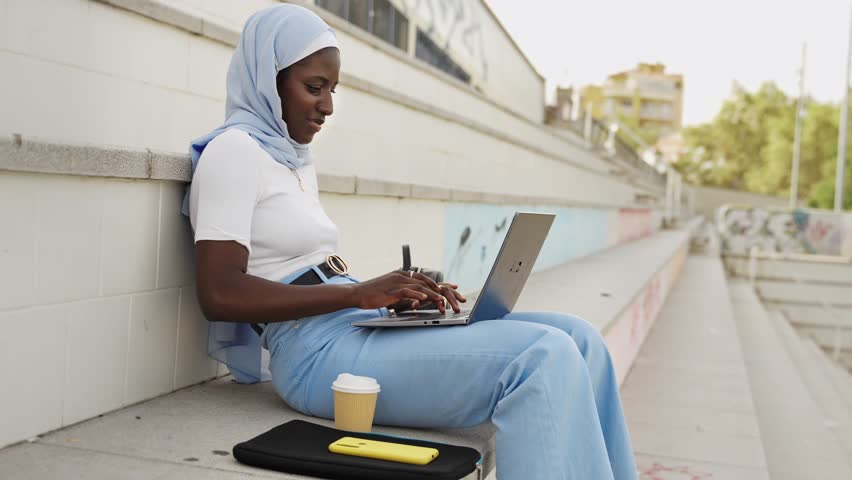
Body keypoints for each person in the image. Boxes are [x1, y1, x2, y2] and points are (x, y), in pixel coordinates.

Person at [185, 4, 637, 479]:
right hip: (314, 356)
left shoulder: (291, 158)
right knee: (543, 357)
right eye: (313, 88)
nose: (328, 105)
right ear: (266, 77)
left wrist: (395, 301)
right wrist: (356, 294)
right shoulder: (232, 153)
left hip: (354, 325)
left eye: (332, 90)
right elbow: (218, 294)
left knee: (581, 339)